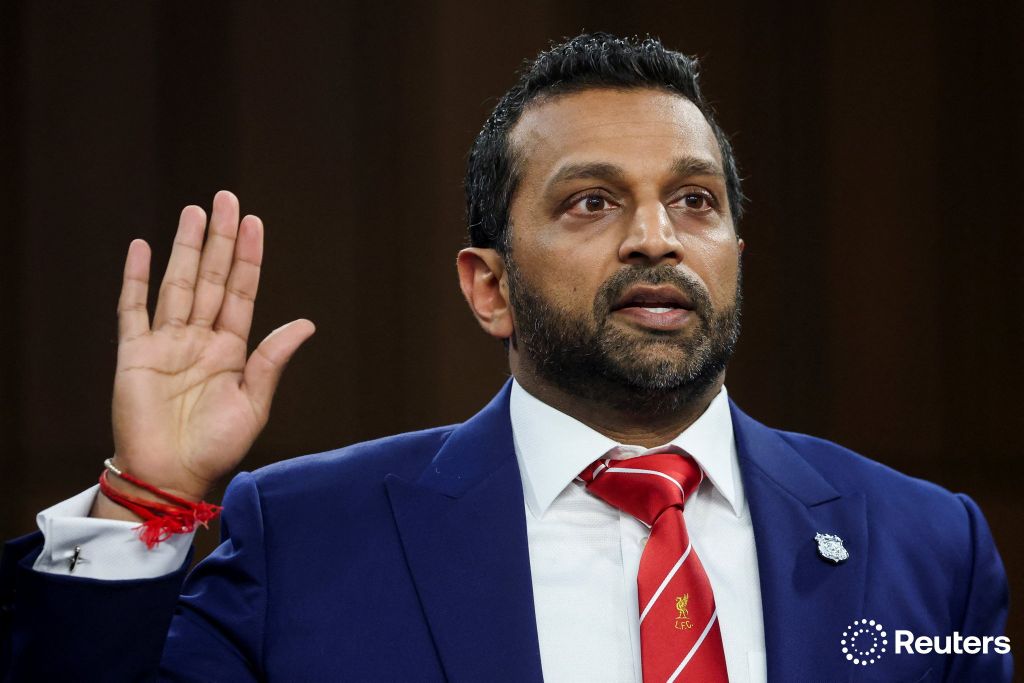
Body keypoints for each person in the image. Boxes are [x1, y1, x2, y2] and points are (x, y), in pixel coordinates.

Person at [0, 32, 1012, 683]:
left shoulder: (930, 545)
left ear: (734, 258)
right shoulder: (304, 538)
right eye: (592, 202)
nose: (656, 237)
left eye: (694, 200)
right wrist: (142, 499)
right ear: (488, 287)